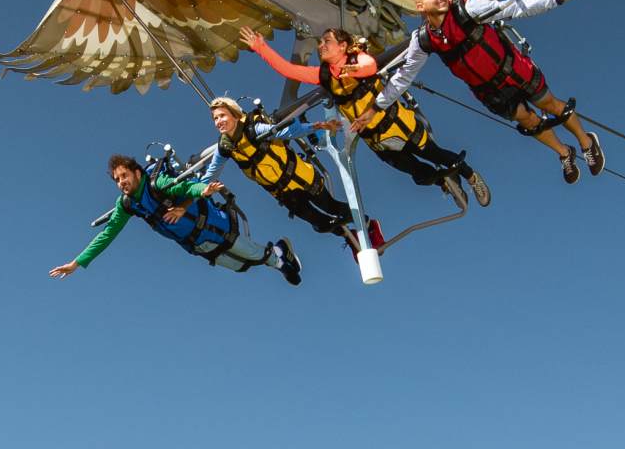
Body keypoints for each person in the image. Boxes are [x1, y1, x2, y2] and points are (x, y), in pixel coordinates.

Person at [378, 0, 604, 183]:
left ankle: (586, 142)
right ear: (420, 7)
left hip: (512, 69)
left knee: (549, 104)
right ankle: (564, 152)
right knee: (528, 121)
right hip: (490, 90)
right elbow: (404, 76)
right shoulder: (423, 39)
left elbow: (513, 7)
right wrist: (377, 106)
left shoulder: (467, 9)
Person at [238, 26, 488, 208]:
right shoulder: (323, 75)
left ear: (343, 46)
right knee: (418, 173)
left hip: (398, 126)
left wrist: (351, 69)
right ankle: (444, 182)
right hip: (377, 140)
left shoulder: (357, 58)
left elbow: (370, 66)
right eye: (321, 42)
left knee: (437, 154)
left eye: (327, 41)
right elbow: (289, 70)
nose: (321, 45)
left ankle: (470, 175)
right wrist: (261, 47)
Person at [50, 153, 300, 284]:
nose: (121, 182)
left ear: (137, 173)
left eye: (124, 176)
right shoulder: (126, 204)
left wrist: (203, 190)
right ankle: (277, 257)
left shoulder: (156, 183)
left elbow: (184, 187)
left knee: (254, 254)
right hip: (195, 243)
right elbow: (107, 234)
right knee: (241, 266)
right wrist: (77, 263)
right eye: (117, 180)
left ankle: (280, 255)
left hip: (213, 226)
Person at [206, 96, 357, 245]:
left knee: (331, 207)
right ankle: (348, 236)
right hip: (285, 193)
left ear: (235, 115)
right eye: (215, 118)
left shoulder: (254, 129)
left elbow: (286, 132)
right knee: (321, 223)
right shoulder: (225, 147)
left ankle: (365, 221)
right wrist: (198, 189)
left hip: (301, 177)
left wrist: (318, 126)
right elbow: (211, 173)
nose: (218, 121)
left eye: (222, 115)